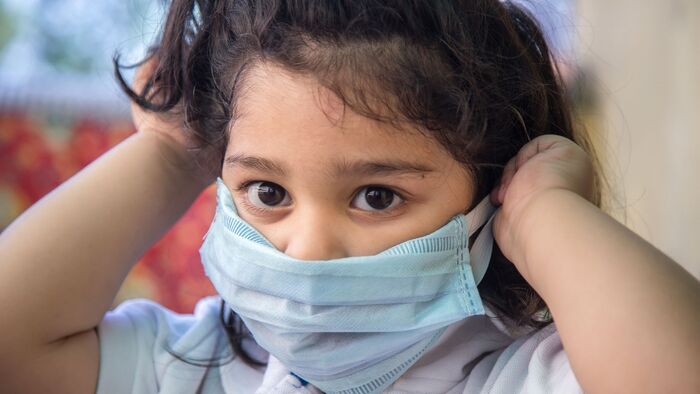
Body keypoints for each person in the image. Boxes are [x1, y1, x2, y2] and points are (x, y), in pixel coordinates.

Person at [1, 1, 699, 393]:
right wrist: (167, 152)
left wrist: (548, 216)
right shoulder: (193, 370)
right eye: (267, 190)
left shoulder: (519, 378)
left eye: (375, 196)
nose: (309, 250)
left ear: (490, 198)